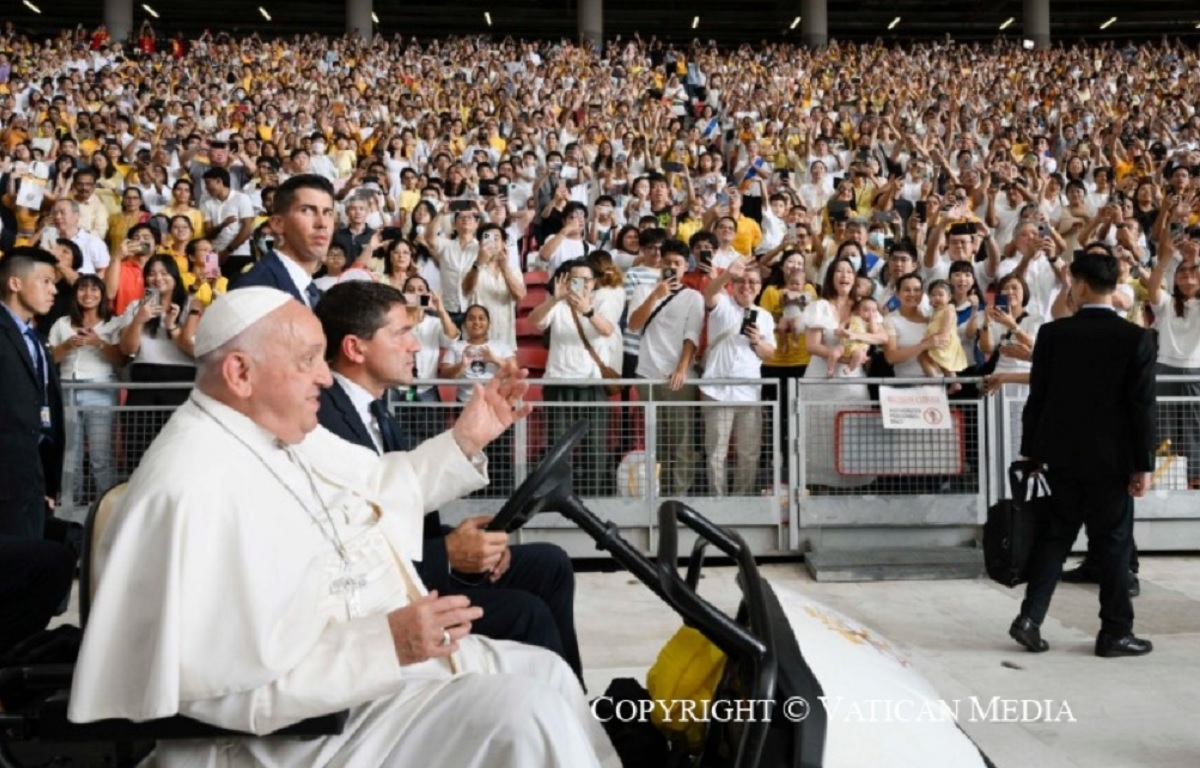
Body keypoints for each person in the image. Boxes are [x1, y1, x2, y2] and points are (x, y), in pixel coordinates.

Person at [68, 287, 617, 767]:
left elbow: (380, 486)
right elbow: (217, 690)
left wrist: (468, 436)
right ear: (240, 372)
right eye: (308, 359)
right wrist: (387, 642)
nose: (325, 375)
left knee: (547, 673)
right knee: (529, 713)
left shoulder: (275, 430)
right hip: (292, 736)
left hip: (352, 682)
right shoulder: (190, 487)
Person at [314, 281, 582, 678]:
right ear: (355, 348)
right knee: (528, 614)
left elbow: (398, 500)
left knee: (551, 564)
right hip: (382, 594)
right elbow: (353, 536)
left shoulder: (375, 410)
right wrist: (448, 555)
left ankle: (577, 704)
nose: (416, 346)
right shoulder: (325, 421)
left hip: (418, 559)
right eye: (402, 333)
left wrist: (466, 541)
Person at [1010, 251, 1157, 659]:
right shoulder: (1136, 339)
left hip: (1060, 458)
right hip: (1113, 464)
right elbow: (1142, 407)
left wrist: (1032, 450)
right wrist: (1143, 464)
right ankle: (1114, 632)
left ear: (1081, 286)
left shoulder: (1054, 335)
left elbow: (1037, 399)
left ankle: (1030, 619)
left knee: (1055, 539)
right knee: (1113, 546)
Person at [0, 248, 64, 538]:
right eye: (45, 281)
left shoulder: (36, 339)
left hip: (31, 479)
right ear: (15, 283)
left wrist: (45, 483)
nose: (53, 291)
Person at [699, 259, 776, 496]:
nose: (747, 286)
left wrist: (757, 341)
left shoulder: (764, 316)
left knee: (749, 452)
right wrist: (725, 276)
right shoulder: (722, 304)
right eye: (741, 281)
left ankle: (742, 501)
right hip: (717, 391)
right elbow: (708, 293)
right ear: (733, 284)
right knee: (716, 452)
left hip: (749, 393)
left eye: (753, 282)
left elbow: (770, 355)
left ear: (760, 287)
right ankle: (718, 501)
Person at [48, 274, 123, 507]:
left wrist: (98, 343)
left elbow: (122, 359)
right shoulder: (61, 323)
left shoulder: (113, 322)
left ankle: (105, 504)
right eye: (82, 289)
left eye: (94, 289)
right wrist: (67, 345)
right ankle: (71, 503)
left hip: (100, 389)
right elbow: (50, 359)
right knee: (71, 454)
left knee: (101, 455)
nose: (88, 294)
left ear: (102, 294)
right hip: (67, 389)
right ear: (75, 294)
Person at [234, 174, 333, 308]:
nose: (322, 223)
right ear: (277, 224)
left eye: (328, 213)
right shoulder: (254, 287)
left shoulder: (311, 289)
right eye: (306, 210)